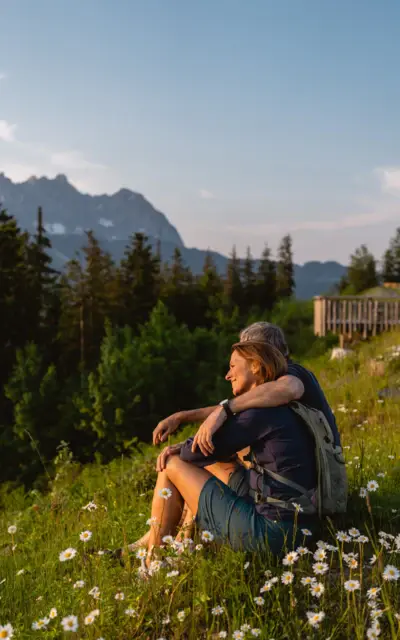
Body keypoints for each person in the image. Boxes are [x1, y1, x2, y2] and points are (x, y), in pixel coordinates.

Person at [140, 340, 319, 565]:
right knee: (219, 463)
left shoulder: (257, 414)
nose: (227, 375)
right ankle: (184, 544)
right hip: (301, 525)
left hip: (273, 534)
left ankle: (151, 564)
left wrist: (181, 446)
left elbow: (191, 454)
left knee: (171, 462)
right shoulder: (281, 407)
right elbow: (211, 452)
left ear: (255, 366)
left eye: (233, 366)